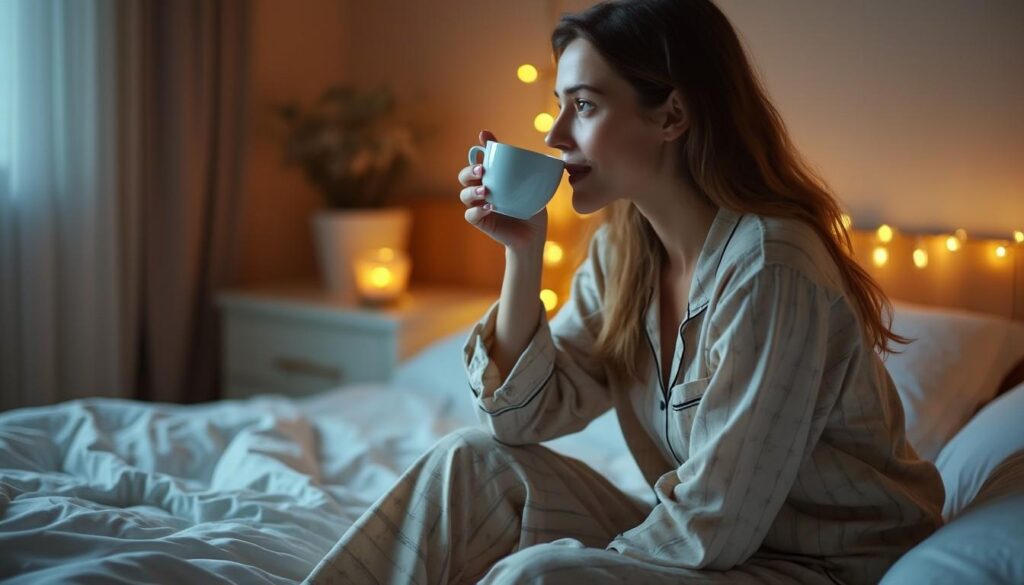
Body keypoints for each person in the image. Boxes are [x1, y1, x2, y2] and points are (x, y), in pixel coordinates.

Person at [305, 0, 944, 583]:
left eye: (583, 105)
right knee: (470, 463)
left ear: (672, 114)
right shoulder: (623, 251)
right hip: (720, 542)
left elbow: (715, 520)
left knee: (541, 578)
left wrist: (585, 565)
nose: (555, 135)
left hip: (818, 564)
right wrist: (522, 255)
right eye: (560, 105)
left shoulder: (772, 267)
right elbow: (517, 422)